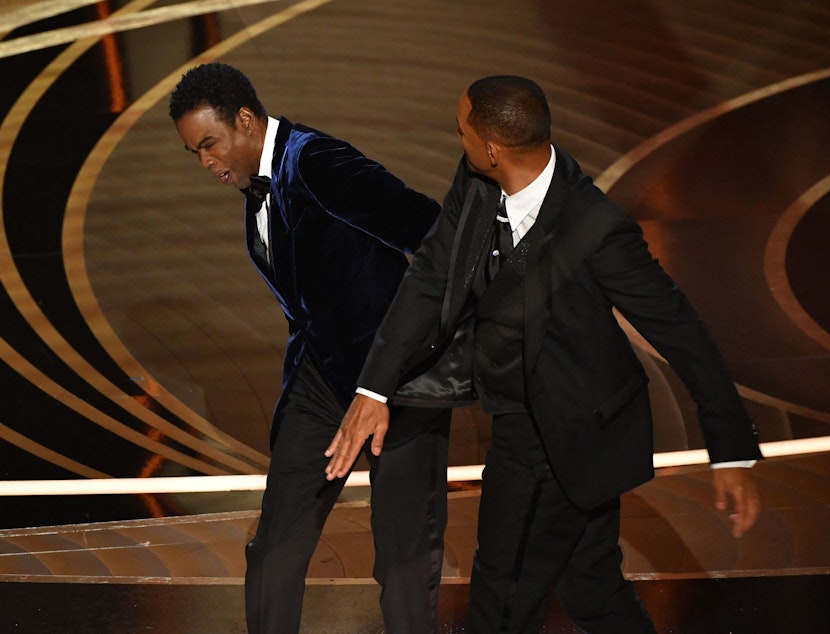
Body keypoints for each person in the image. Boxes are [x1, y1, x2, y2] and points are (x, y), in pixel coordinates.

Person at [325, 75, 763, 633]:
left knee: (500, 604)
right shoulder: (478, 181)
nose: (454, 138)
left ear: (491, 148)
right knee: (592, 589)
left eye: (459, 131)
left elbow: (679, 329)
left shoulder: (597, 230)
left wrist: (730, 451)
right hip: (521, 412)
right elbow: (432, 275)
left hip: (571, 429)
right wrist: (374, 388)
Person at [168, 62, 453, 634]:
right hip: (320, 380)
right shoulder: (255, 190)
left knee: (401, 556)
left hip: (397, 380)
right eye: (194, 153)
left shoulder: (318, 163)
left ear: (245, 121)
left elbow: (430, 229)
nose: (206, 163)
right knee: (275, 545)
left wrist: (426, 347)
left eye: (209, 145)